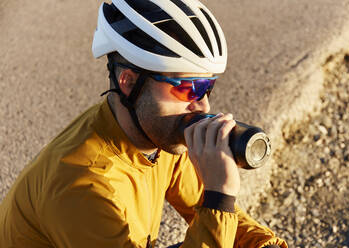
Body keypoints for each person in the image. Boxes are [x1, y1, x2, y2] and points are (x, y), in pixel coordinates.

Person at [0, 0, 287, 247]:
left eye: (206, 87)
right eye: (186, 88)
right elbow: (216, 210)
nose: (203, 106)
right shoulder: (82, 188)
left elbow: (216, 214)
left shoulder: (156, 137)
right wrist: (220, 195)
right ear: (129, 82)